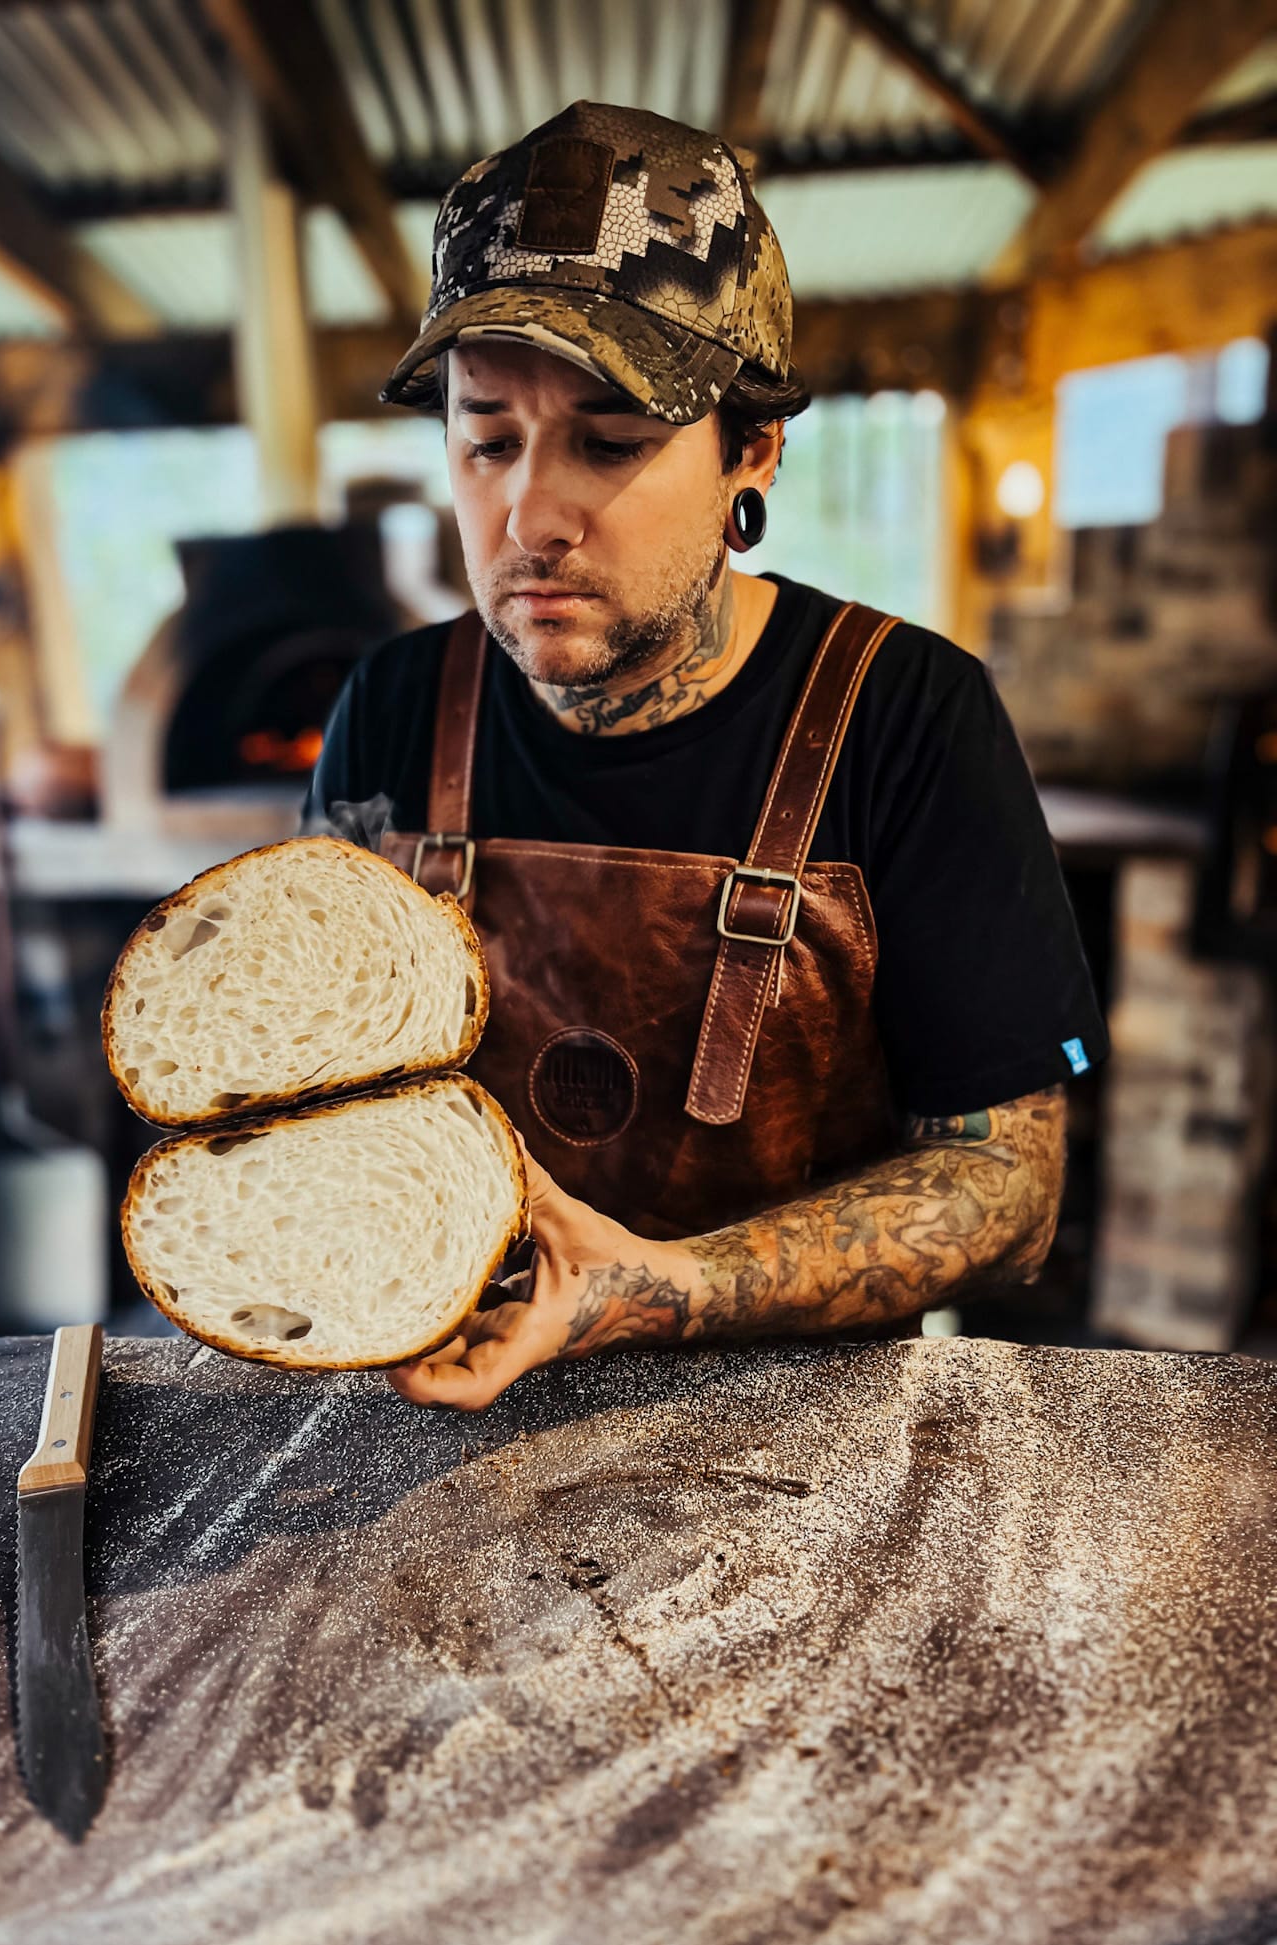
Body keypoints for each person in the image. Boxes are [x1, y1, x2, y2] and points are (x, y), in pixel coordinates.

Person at [307, 100, 1107, 1411]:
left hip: (807, 1451)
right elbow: (316, 1106)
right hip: (450, 1414)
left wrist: (660, 1290)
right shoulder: (391, 711)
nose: (530, 515)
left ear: (755, 446)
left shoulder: (907, 716)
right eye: (486, 438)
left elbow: (1006, 1189)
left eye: (610, 443)